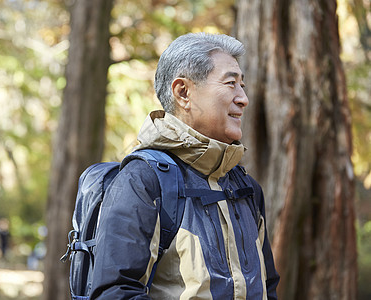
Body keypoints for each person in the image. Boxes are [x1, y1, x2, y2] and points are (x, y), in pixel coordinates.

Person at [90, 32, 279, 299]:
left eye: (242, 86)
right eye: (230, 84)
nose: (243, 99)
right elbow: (115, 293)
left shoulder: (246, 188)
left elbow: (268, 288)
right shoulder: (143, 181)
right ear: (183, 92)